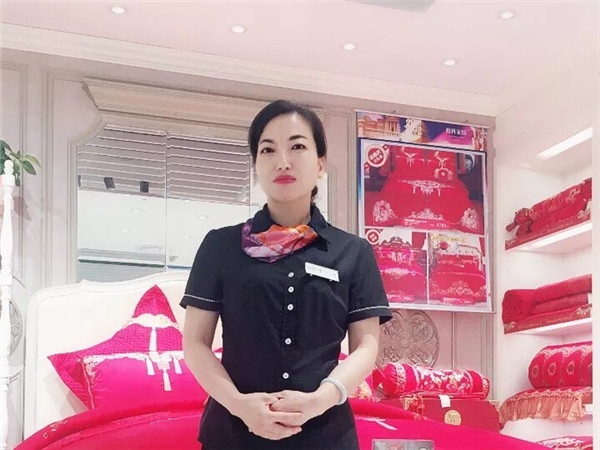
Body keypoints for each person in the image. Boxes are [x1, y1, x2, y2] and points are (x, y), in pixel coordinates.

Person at [181, 100, 392, 449]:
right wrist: (240, 405)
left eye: (297, 146)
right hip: (234, 433)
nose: (283, 161)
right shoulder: (220, 246)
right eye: (268, 149)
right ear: (256, 165)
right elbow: (195, 343)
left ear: (320, 163)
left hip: (325, 434)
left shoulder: (353, 252)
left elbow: (366, 347)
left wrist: (321, 399)